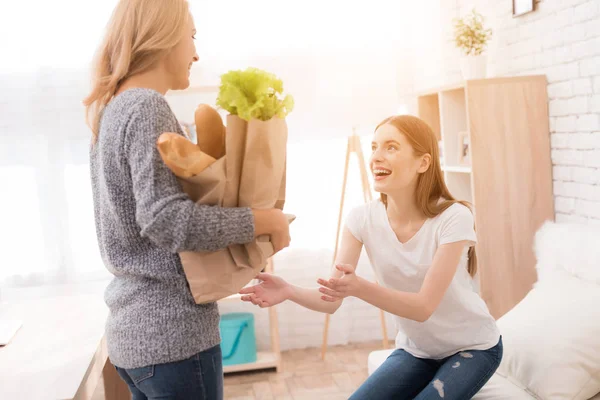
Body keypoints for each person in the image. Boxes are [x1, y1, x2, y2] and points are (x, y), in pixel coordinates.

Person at [83, 0, 290, 398]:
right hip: (172, 337)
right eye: (191, 36)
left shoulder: (112, 111)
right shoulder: (146, 107)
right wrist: (266, 220)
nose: (196, 52)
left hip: (135, 336)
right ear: (162, 37)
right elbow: (167, 222)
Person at [240, 115, 502, 399]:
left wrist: (360, 287)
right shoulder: (361, 219)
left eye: (391, 147)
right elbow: (331, 300)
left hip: (472, 347)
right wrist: (289, 290)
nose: (376, 156)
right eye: (375, 146)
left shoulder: (453, 218)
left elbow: (423, 306)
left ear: (423, 163)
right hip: (418, 350)